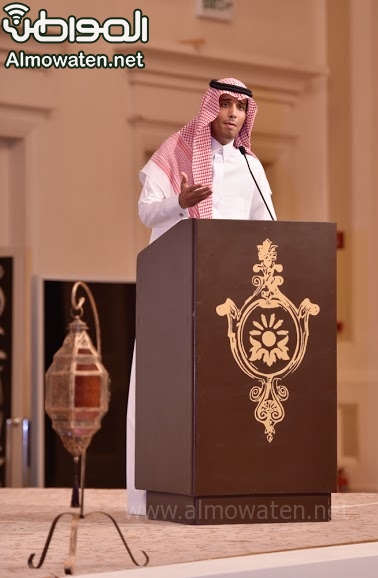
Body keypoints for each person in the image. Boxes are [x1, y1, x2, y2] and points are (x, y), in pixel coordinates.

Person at [126, 77, 277, 515]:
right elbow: (146, 211)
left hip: (233, 295)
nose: (233, 113)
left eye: (241, 107)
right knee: (168, 390)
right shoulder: (176, 151)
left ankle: (228, 487)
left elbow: (267, 225)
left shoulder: (251, 167)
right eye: (225, 104)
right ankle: (153, 495)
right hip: (176, 290)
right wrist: (179, 201)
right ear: (211, 107)